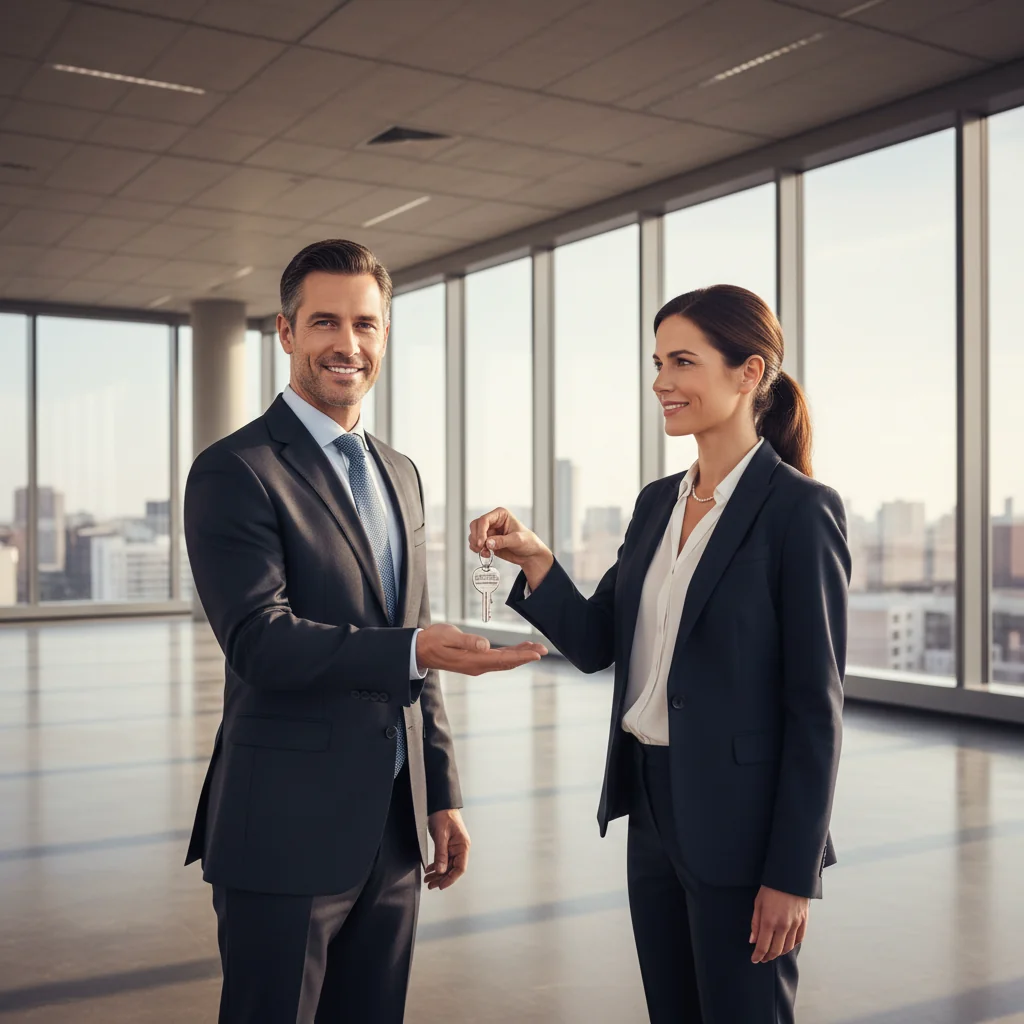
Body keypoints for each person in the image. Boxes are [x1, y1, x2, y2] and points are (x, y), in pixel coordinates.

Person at [184, 238, 547, 1024]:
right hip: (282, 827)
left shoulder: (400, 470)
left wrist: (439, 792)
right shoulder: (235, 470)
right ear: (285, 333)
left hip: (392, 827)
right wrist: (413, 648)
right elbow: (258, 639)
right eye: (324, 323)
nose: (347, 345)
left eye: (366, 325)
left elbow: (412, 636)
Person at [469, 284, 850, 1023]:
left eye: (682, 361)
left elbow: (815, 708)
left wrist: (791, 873)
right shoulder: (656, 504)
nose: (661, 383)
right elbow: (595, 642)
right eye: (656, 363)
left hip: (744, 828)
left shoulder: (801, 512)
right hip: (650, 806)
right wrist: (538, 560)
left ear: (749, 373)